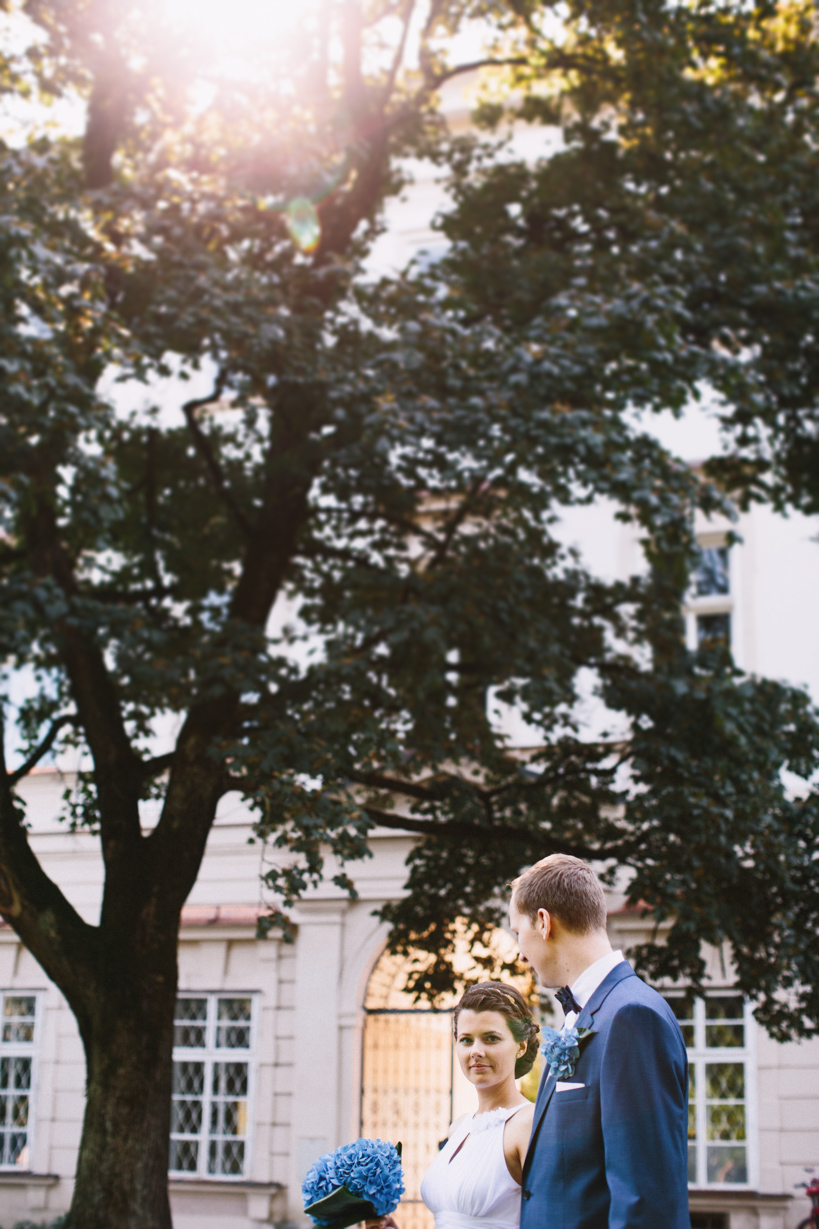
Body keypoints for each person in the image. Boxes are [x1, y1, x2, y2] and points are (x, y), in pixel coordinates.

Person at [508, 853, 689, 1229]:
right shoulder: (589, 1014)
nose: (520, 953)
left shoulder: (632, 1017)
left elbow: (646, 1202)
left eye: (517, 933)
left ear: (543, 922)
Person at [368, 981, 540, 1229]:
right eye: (466, 1040)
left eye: (491, 1038)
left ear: (521, 1046)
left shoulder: (528, 1123)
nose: (476, 1051)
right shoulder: (459, 1127)